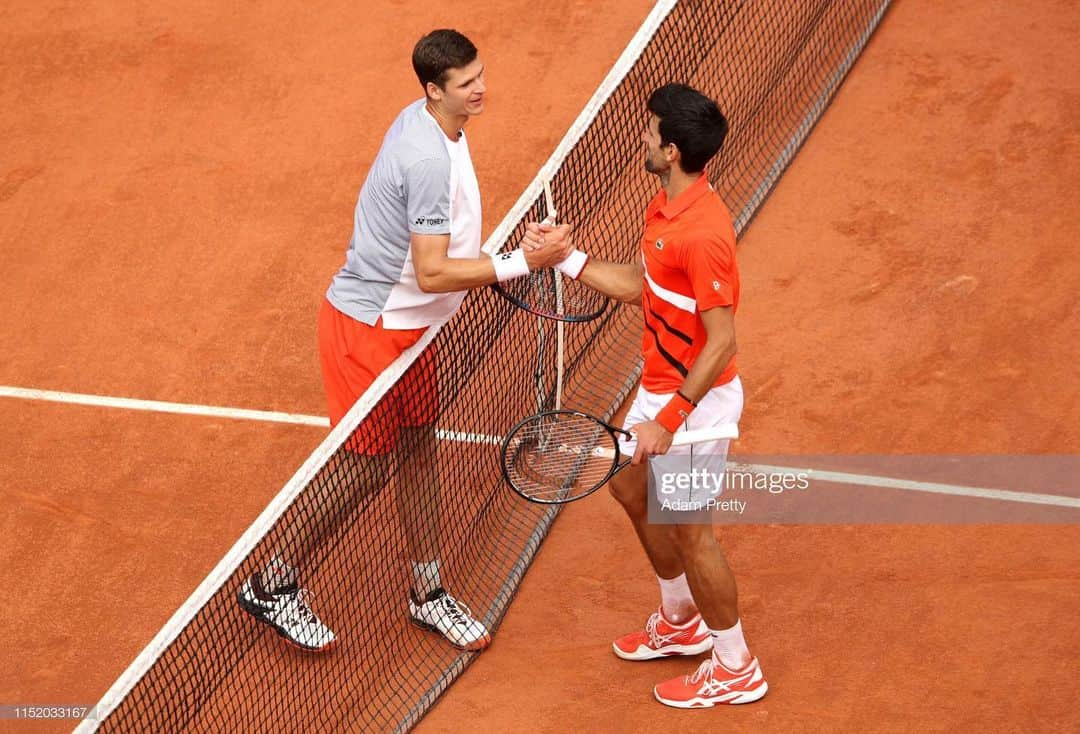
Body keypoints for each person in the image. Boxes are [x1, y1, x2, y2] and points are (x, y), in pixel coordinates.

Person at [237, 29, 572, 653]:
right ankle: (273, 581)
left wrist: (506, 256)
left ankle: (427, 591)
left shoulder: (436, 123)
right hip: (370, 329)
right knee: (364, 469)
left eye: (480, 75)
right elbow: (432, 271)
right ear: (432, 90)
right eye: (468, 83)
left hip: (414, 329)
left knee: (419, 448)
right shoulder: (424, 156)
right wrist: (521, 264)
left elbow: (441, 253)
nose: (481, 89)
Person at [545, 83, 766, 706]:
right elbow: (646, 287)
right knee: (629, 486)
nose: (640, 136)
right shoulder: (665, 208)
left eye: (649, 132)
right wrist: (568, 259)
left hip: (695, 403)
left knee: (692, 532)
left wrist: (669, 419)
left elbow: (720, 342)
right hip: (660, 382)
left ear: (670, 150)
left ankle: (735, 663)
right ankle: (681, 621)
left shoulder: (704, 233)